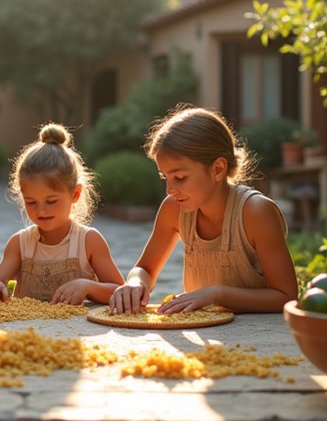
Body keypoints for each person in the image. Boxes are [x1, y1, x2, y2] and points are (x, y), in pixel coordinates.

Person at [109, 105, 297, 315]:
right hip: (207, 334)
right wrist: (135, 282)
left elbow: (286, 296)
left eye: (180, 178)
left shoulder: (255, 212)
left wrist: (216, 294)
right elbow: (145, 269)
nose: (170, 190)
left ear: (218, 169)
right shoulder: (174, 208)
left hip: (258, 338)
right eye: (165, 177)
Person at [0, 123, 124, 306]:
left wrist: (88, 286)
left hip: (76, 331)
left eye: (51, 201)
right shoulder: (19, 244)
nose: (41, 210)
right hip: (26, 332)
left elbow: (119, 292)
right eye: (31, 202)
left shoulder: (89, 241)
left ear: (75, 194)